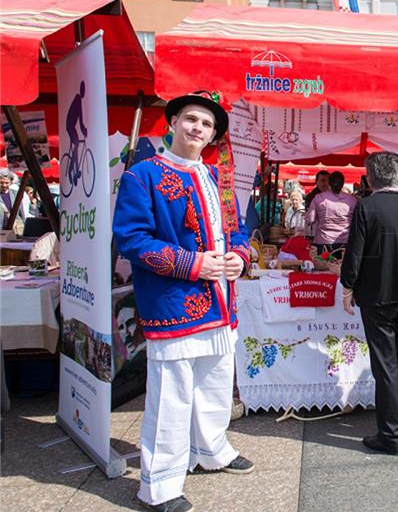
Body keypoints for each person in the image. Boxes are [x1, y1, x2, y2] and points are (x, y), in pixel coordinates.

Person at [113, 90, 254, 512]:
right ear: (172, 122)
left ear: (213, 136)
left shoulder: (216, 179)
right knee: (171, 396)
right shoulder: (143, 175)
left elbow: (238, 231)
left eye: (207, 124)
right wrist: (194, 265)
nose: (198, 128)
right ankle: (158, 486)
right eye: (191, 119)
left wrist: (238, 258)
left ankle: (211, 450)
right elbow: (132, 240)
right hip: (173, 300)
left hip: (220, 301)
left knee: (215, 381)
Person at [339, 151, 398, 455]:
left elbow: (354, 252)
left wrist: (348, 285)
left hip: (377, 296)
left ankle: (390, 435)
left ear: (369, 179)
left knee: (386, 365)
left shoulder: (367, 207)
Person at [305, 171, 357, 253]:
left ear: (329, 183)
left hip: (323, 241)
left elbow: (310, 219)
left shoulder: (319, 198)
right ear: (343, 184)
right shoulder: (352, 200)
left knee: (322, 265)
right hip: (345, 242)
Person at [66, 81, 88, 184]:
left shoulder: (78, 99)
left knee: (77, 145)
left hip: (72, 126)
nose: (83, 92)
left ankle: (76, 170)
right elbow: (80, 118)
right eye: (83, 90)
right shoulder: (78, 99)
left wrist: (83, 128)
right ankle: (71, 171)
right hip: (70, 126)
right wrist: (83, 129)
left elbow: (80, 118)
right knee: (77, 145)